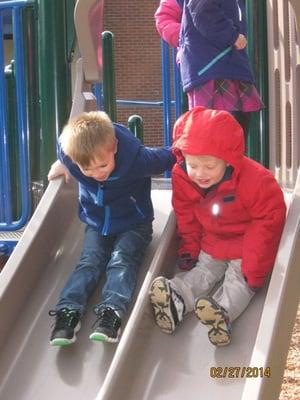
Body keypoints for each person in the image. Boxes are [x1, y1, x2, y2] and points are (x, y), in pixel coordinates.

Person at [149, 107, 286, 346]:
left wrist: (253, 268)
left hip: (246, 245)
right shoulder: (182, 176)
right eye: (193, 164)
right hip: (213, 242)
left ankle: (222, 314)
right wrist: (190, 249)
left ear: (228, 159)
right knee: (203, 271)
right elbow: (187, 215)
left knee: (238, 279)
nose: (200, 173)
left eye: (209, 167)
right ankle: (176, 299)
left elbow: (268, 220)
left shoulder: (255, 181)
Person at [48, 111, 175, 346]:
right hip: (97, 223)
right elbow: (63, 152)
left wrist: (190, 145)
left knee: (121, 259)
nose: (97, 173)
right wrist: (61, 163)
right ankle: (68, 312)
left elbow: (168, 156)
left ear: (114, 146)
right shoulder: (70, 156)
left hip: (134, 224)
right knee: (89, 261)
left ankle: (111, 312)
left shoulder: (136, 160)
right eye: (88, 170)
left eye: (103, 165)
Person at [154, 0, 264, 139]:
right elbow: (198, 10)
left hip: (224, 60)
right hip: (210, 63)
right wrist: (185, 38)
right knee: (219, 129)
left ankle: (229, 158)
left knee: (234, 126)